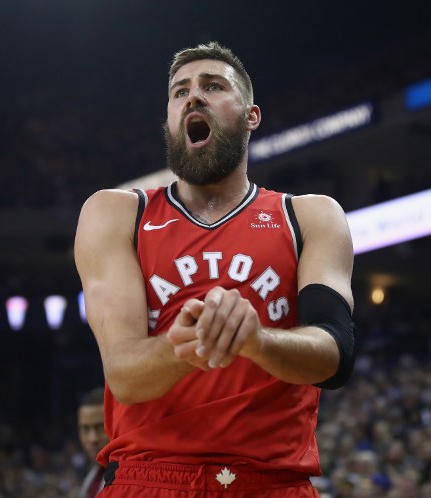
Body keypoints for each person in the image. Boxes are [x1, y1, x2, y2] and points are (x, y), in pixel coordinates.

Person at [74, 41, 355, 497]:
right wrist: (194, 342)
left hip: (272, 483)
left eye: (213, 86)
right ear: (169, 119)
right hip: (150, 477)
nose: (193, 97)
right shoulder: (116, 214)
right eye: (179, 91)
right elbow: (124, 374)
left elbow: (335, 353)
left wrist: (256, 340)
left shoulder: (309, 215)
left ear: (251, 116)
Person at [76, 387, 110, 498]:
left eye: (100, 428)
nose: (92, 439)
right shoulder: (92, 478)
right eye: (85, 429)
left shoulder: (130, 480)